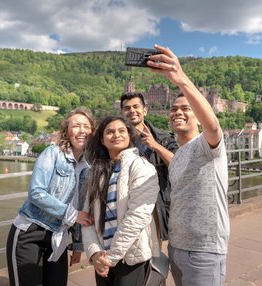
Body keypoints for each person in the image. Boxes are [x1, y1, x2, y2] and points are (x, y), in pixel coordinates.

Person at [147, 44, 230, 286]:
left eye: (186, 108)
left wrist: (180, 78)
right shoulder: (179, 153)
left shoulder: (207, 144)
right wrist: (154, 144)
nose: (178, 113)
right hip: (177, 247)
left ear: (197, 114)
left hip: (204, 249)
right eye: (174, 109)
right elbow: (176, 165)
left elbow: (213, 127)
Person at [6, 107, 95, 286]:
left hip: (58, 237)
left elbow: (81, 207)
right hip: (30, 232)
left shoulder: (88, 166)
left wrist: (77, 245)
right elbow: (36, 193)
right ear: (66, 131)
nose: (82, 130)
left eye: (86, 126)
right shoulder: (52, 153)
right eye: (76, 125)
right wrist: (73, 215)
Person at [82, 115, 160, 286]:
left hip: (130, 257)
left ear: (129, 136)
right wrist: (94, 253)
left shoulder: (141, 166)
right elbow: (87, 219)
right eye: (109, 132)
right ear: (102, 140)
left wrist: (111, 256)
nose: (116, 135)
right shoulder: (97, 171)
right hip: (102, 256)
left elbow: (138, 215)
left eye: (121, 131)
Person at [120, 92, 178, 241]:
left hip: (155, 206)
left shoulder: (163, 138)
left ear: (145, 110)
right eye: (127, 108)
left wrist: (155, 145)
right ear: (122, 113)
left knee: (157, 253)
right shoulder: (117, 141)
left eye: (136, 106)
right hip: (126, 205)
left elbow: (179, 164)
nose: (132, 111)